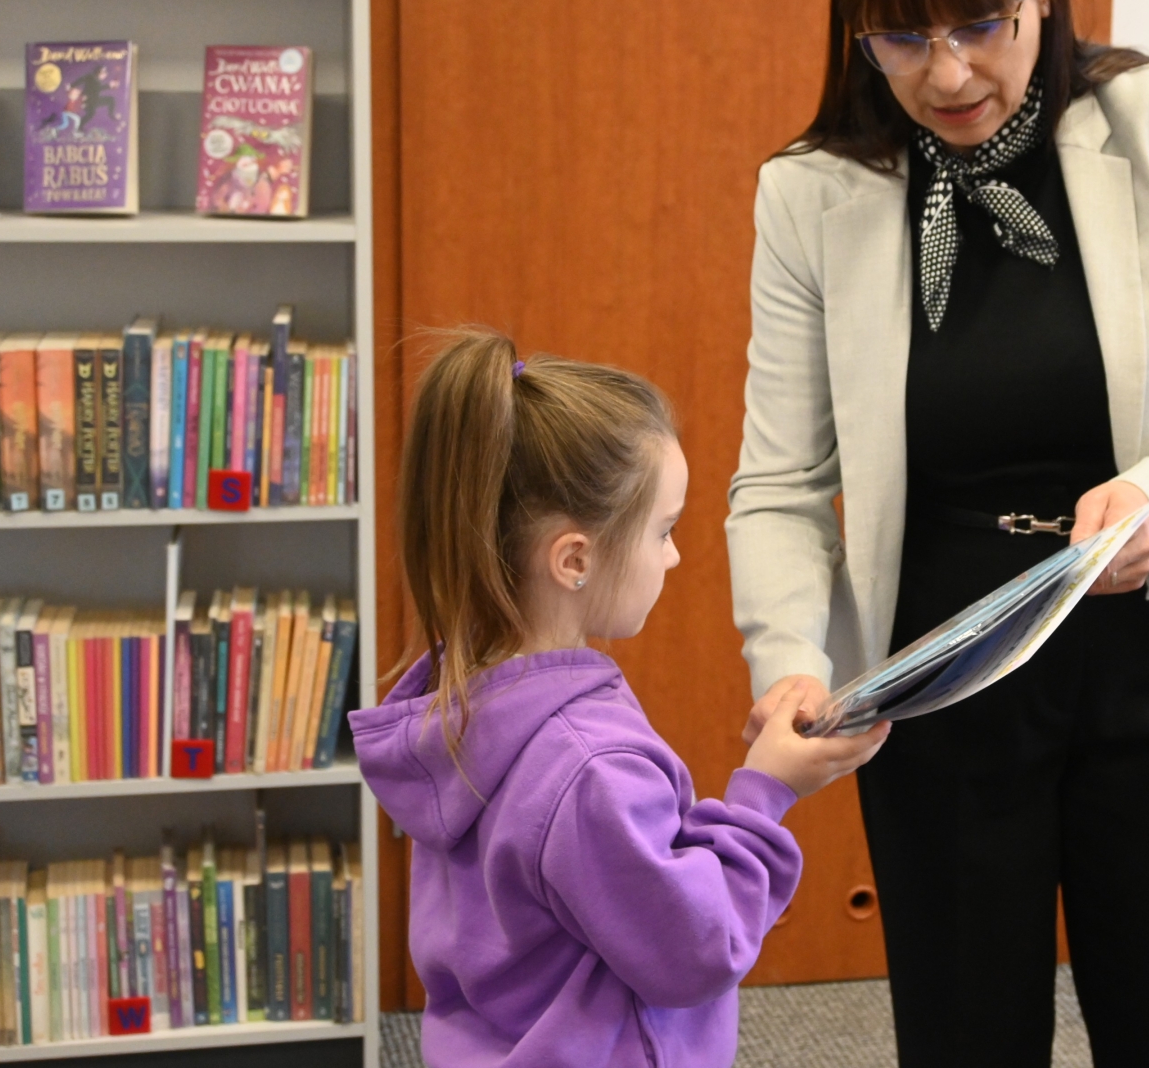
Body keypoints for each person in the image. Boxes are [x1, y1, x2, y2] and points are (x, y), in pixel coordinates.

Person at [725, 0, 1149, 1065]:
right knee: (965, 1031)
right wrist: (788, 662)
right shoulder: (812, 193)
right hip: (945, 673)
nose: (946, 75)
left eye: (980, 23)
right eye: (901, 36)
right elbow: (780, 481)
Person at [351, 330, 889, 1068]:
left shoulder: (465, 701)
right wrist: (764, 794)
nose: (675, 554)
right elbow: (694, 950)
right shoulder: (589, 766)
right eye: (663, 530)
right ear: (575, 559)